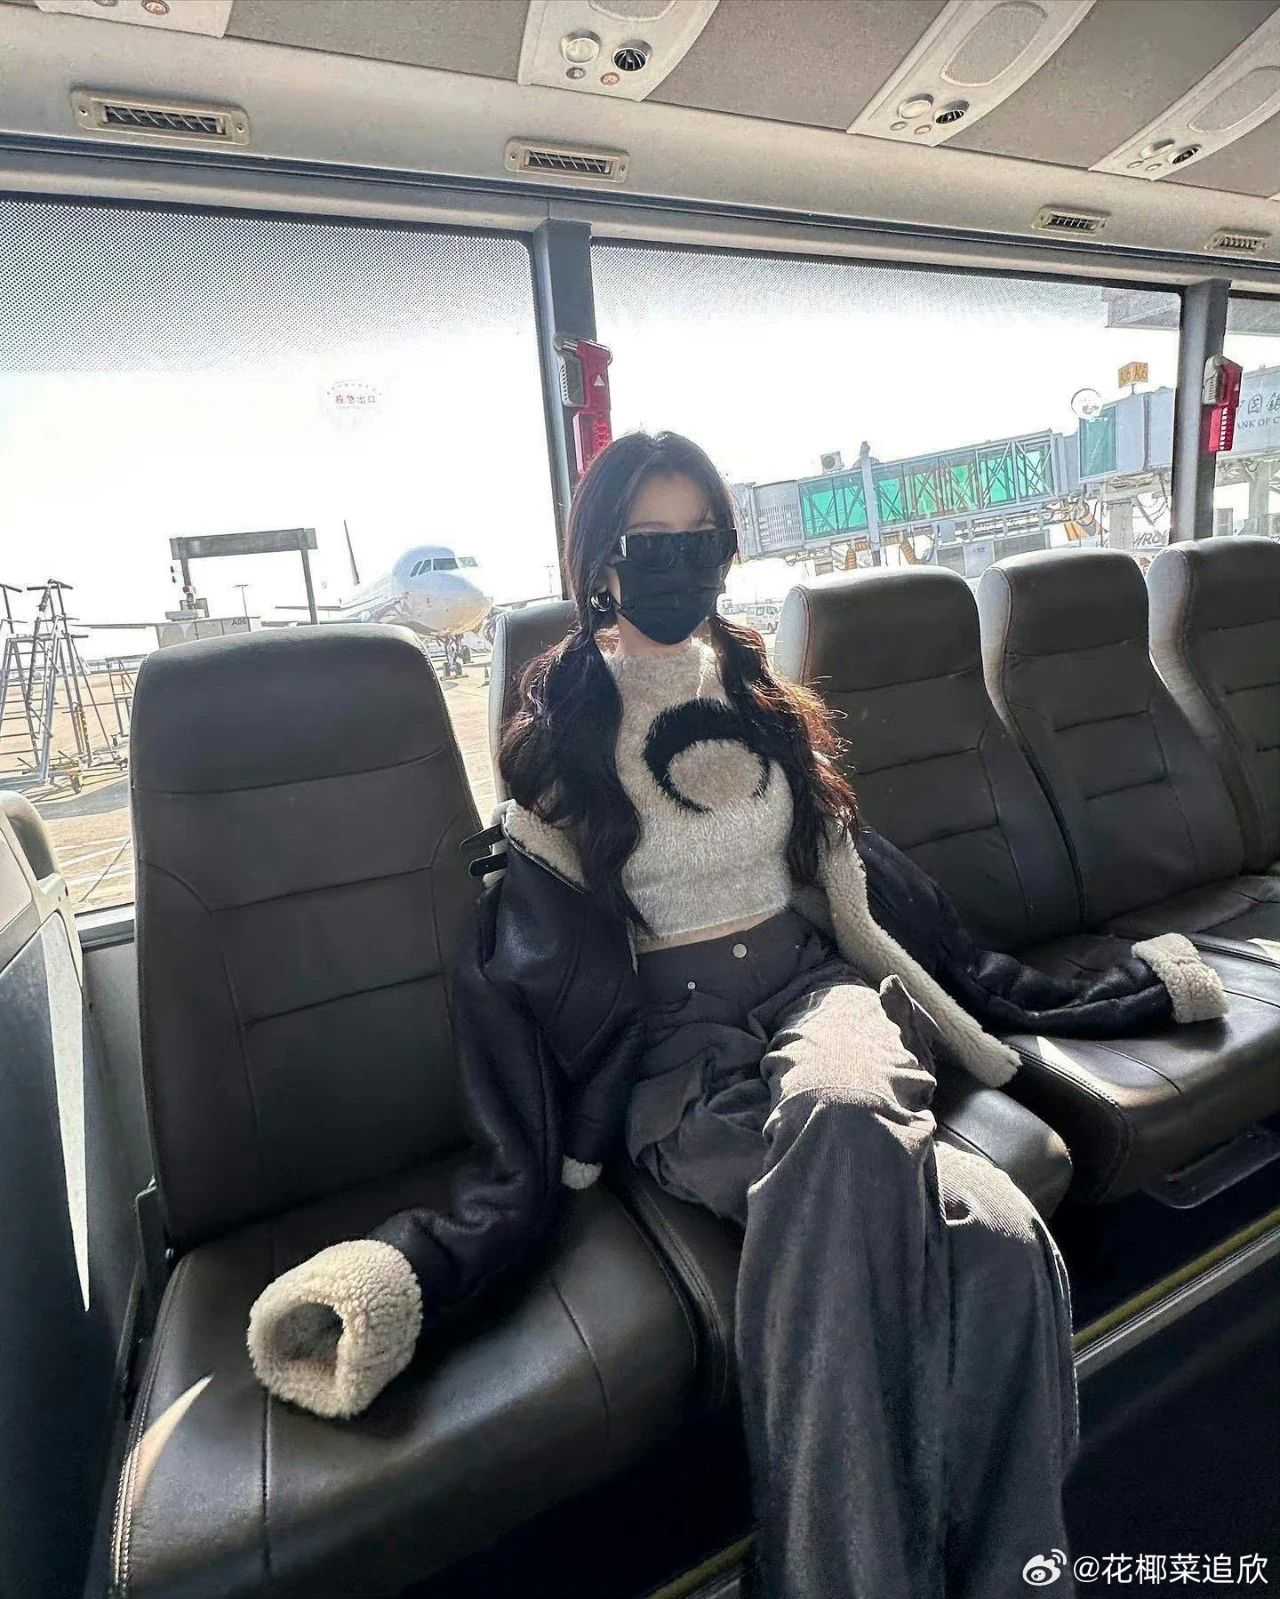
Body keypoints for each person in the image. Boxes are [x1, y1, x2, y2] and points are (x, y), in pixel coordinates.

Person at [245, 432, 1226, 1599]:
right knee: (996, 1242)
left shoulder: (762, 701)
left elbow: (851, 883)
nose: (678, 563)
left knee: (845, 1106)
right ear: (599, 559)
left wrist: (990, 996)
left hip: (815, 995)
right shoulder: (558, 728)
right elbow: (524, 959)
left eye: (698, 539)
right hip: (675, 1051)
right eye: (648, 542)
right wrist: (474, 1220)